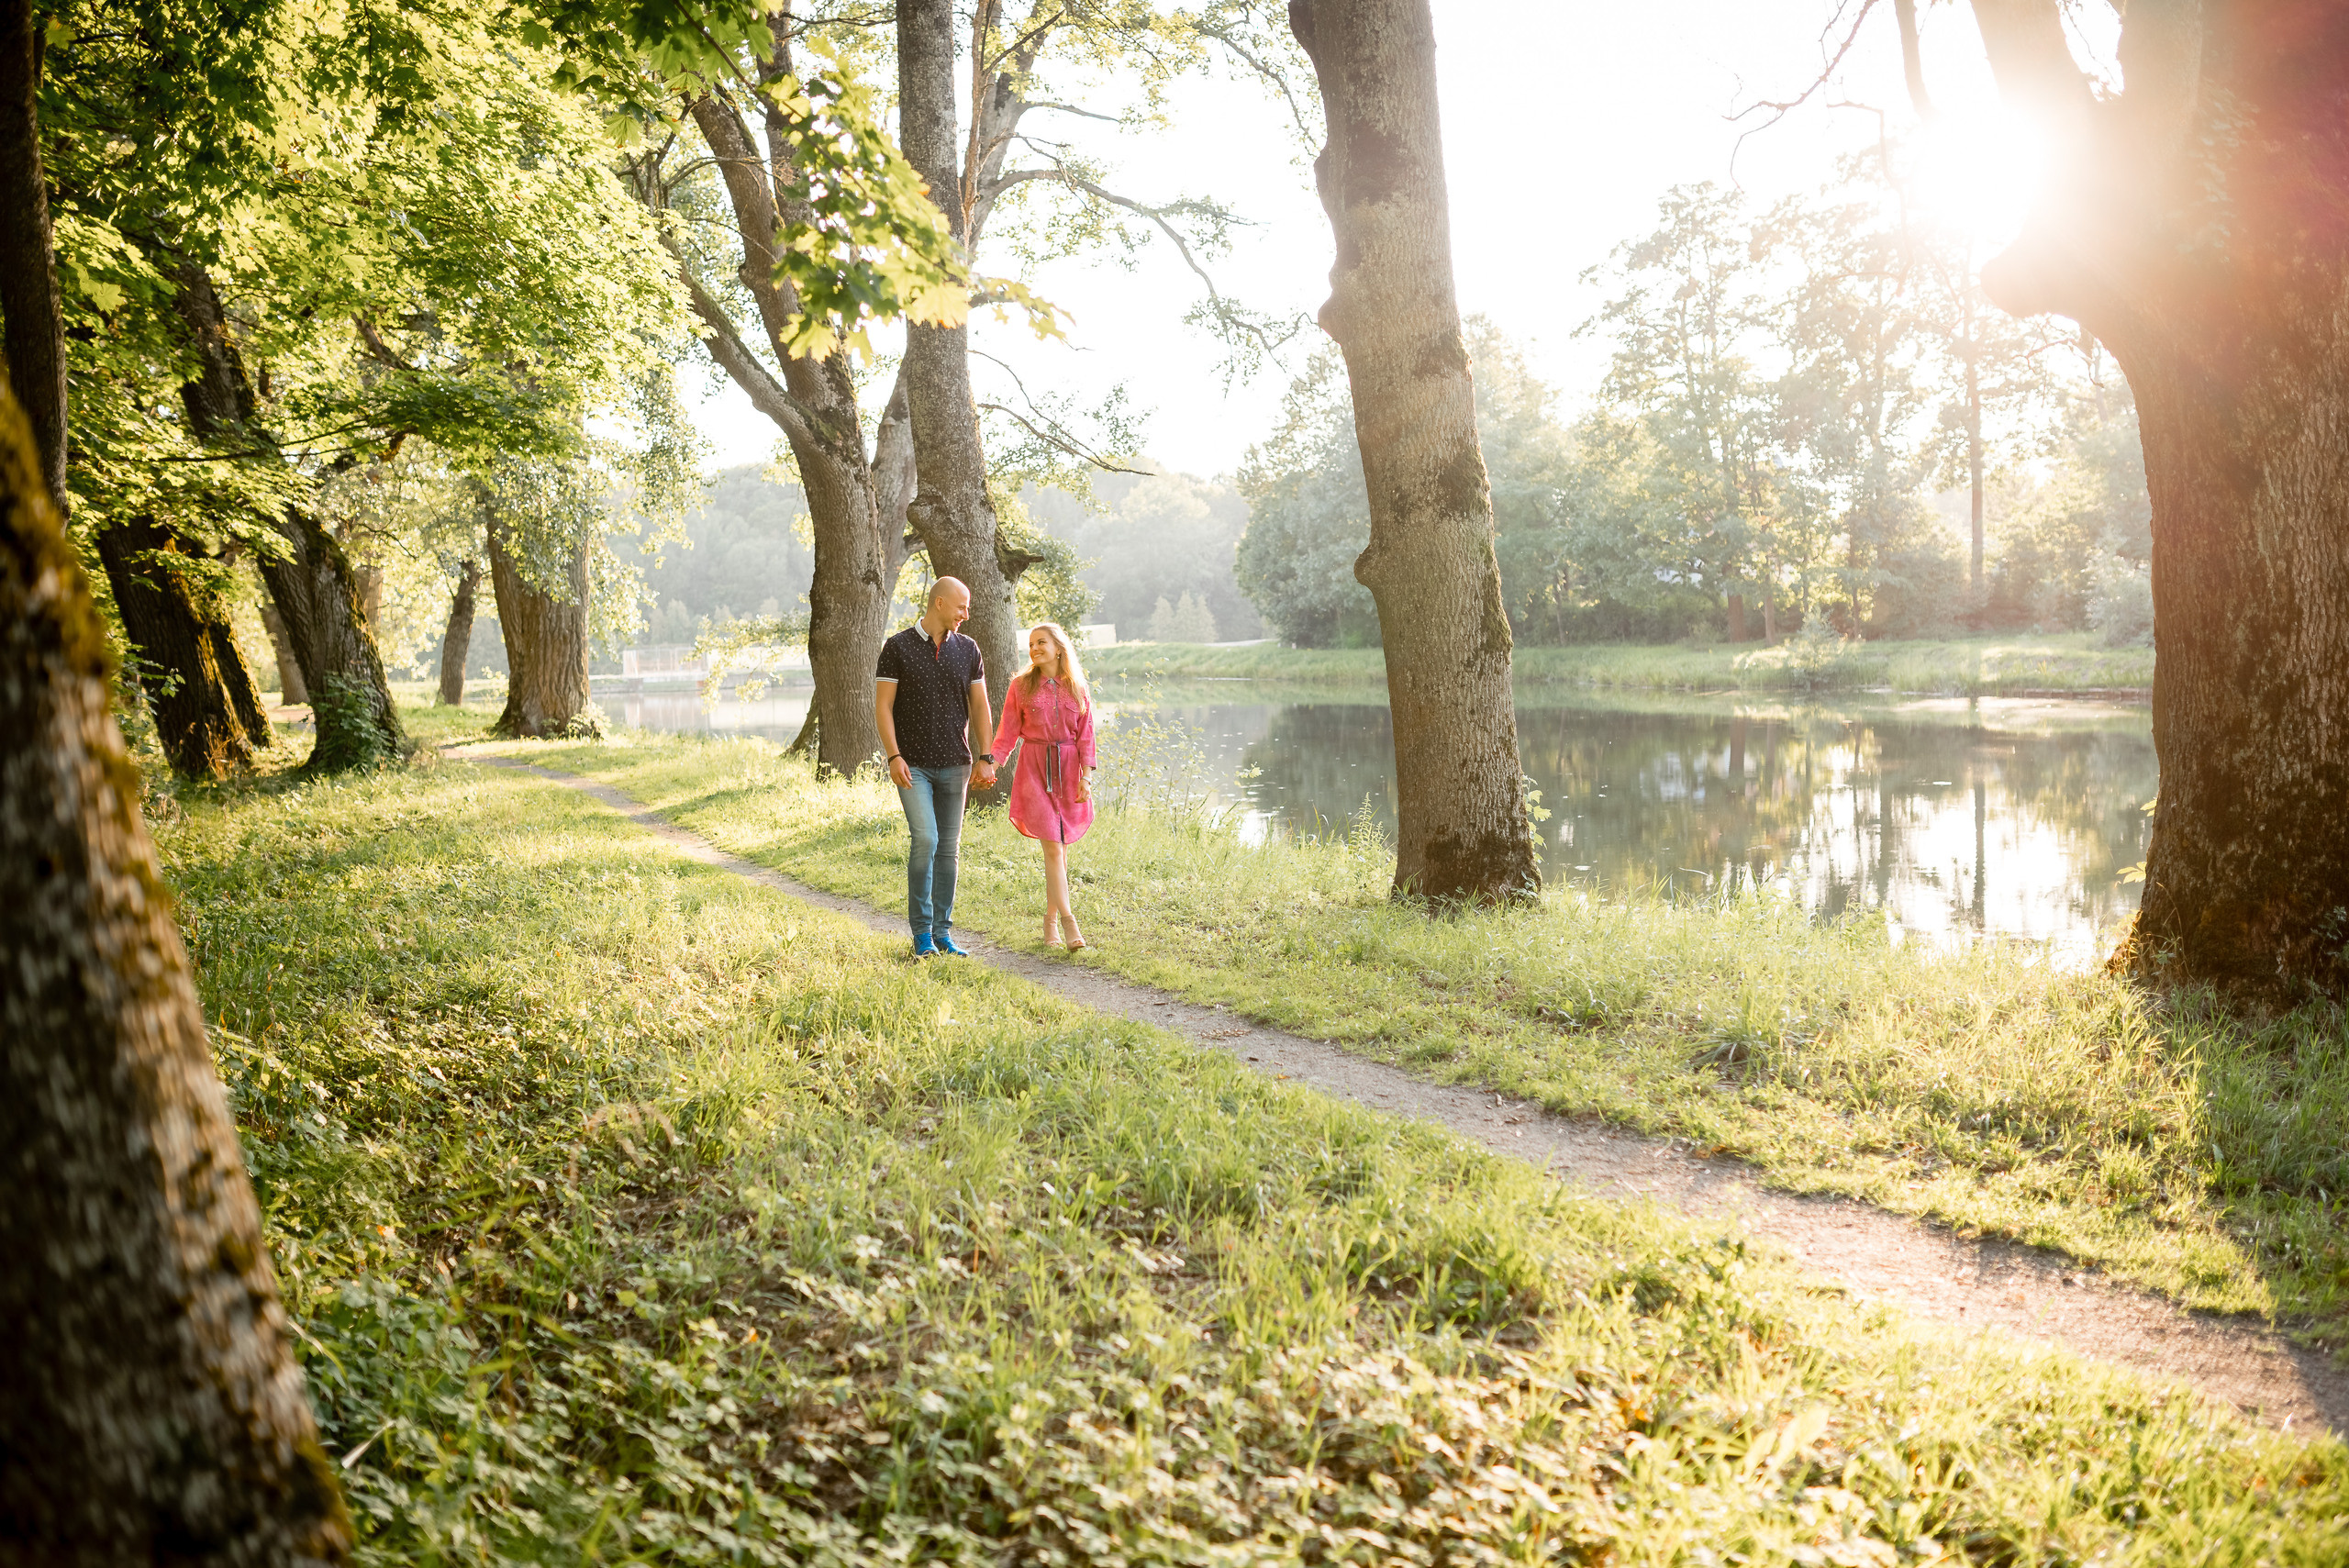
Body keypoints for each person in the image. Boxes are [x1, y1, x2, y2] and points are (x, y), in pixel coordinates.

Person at [874, 577, 996, 957]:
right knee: (926, 839)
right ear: (939, 603)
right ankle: (922, 933)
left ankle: (943, 933)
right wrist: (893, 756)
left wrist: (986, 756)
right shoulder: (897, 647)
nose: (966, 614)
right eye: (961, 607)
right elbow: (882, 707)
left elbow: (980, 706)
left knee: (948, 849)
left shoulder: (968, 648)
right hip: (913, 766)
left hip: (956, 765)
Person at [989, 621, 1097, 951]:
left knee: (1059, 851)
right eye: (1031, 644)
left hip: (1067, 772)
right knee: (1053, 846)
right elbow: (1007, 732)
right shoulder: (1020, 686)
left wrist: (1086, 777)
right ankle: (1069, 922)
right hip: (1034, 769)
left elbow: (1087, 736)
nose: (1034, 649)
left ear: (1058, 647)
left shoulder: (1076, 687)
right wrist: (990, 763)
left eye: (1041, 643)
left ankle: (1048, 923)